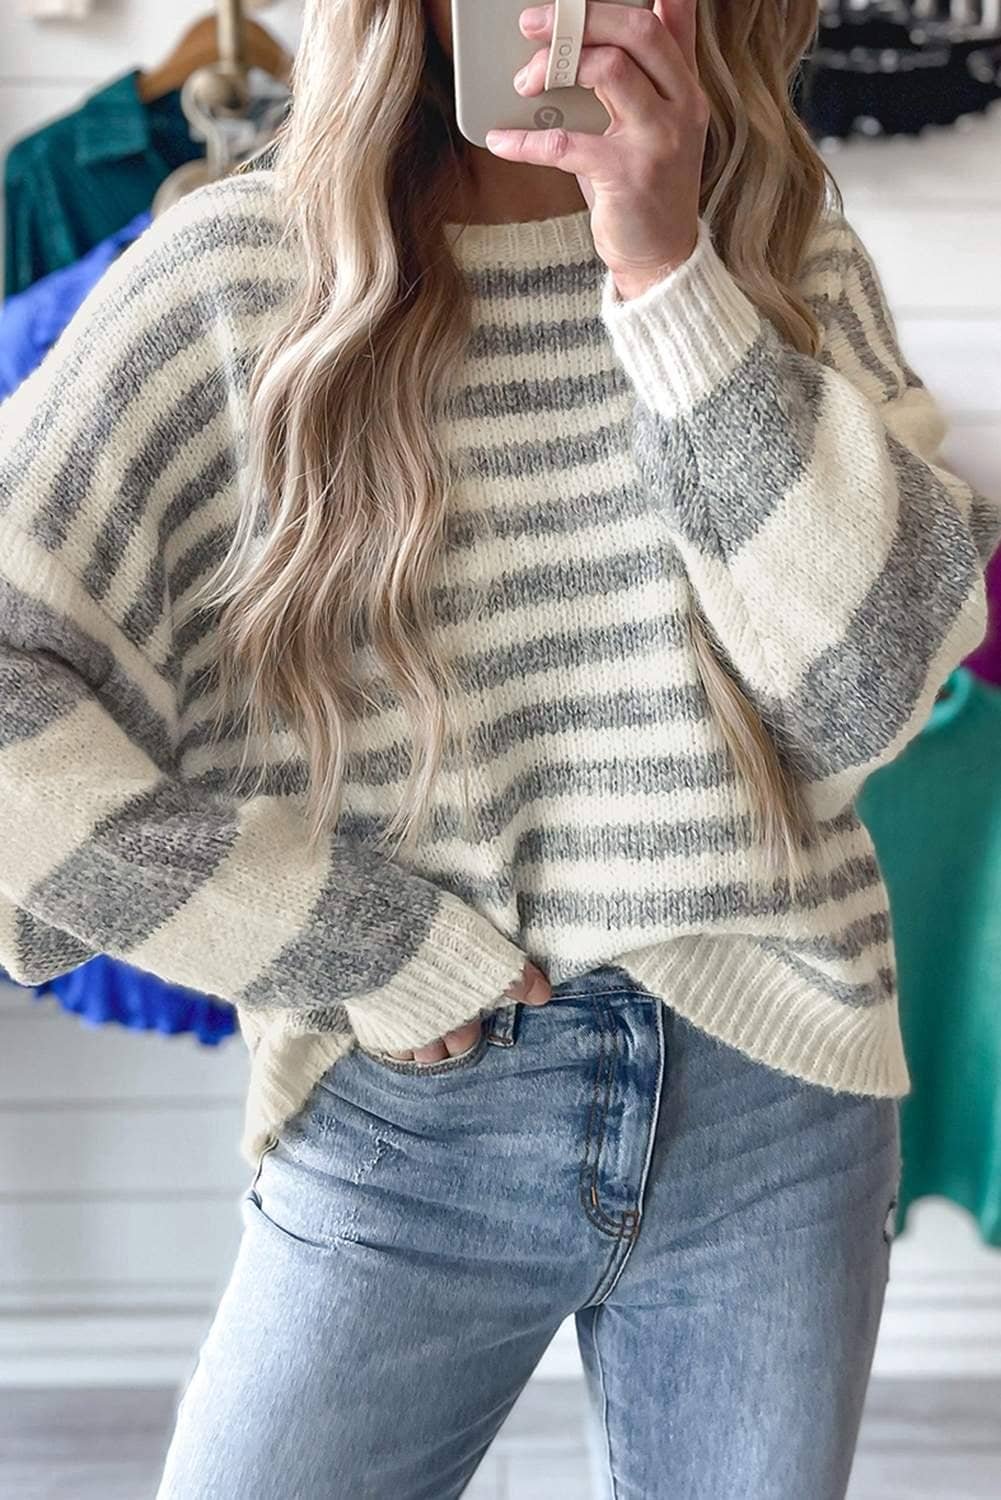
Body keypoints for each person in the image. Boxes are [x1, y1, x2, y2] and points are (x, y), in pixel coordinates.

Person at [0, 2, 997, 1497]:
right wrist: (343, 940)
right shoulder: (234, 278)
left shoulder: (777, 249)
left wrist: (671, 280)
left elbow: (868, 692)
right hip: (411, 1109)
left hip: (778, 1094)